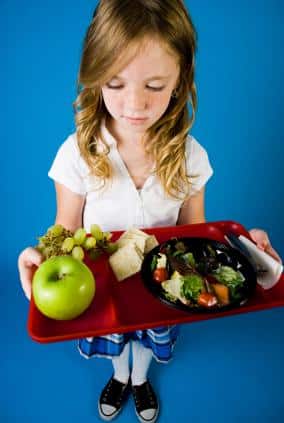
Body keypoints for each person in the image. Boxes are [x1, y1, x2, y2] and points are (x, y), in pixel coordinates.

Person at [18, 1, 282, 422]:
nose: (134, 105)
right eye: (115, 83)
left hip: (163, 289)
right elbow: (66, 231)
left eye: (155, 86)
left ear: (180, 81)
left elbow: (199, 233)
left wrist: (247, 250)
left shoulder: (192, 157)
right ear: (95, 74)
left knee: (148, 343)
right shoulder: (77, 154)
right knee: (116, 346)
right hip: (100, 292)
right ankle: (119, 376)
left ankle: (139, 380)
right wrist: (38, 259)